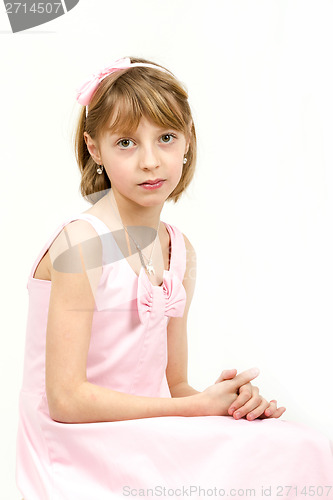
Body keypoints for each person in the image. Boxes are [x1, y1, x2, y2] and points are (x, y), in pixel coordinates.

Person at [16, 56, 333, 500]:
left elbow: (174, 383)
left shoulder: (180, 251)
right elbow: (66, 401)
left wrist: (225, 403)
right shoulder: (80, 245)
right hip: (77, 446)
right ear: (95, 149)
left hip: (144, 433)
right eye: (126, 142)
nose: (150, 161)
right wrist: (193, 408)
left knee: (299, 449)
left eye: (166, 138)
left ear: (187, 142)